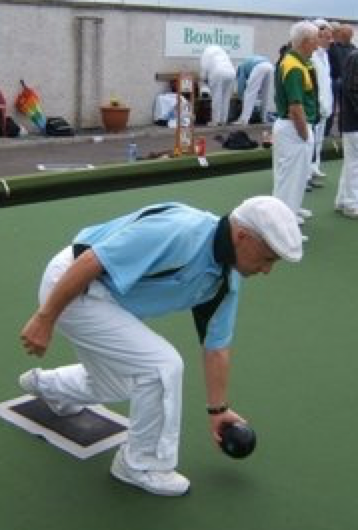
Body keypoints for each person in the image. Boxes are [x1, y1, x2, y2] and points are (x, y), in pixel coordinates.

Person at [19, 196, 303, 497]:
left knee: (121, 383)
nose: (267, 270)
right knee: (161, 366)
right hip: (74, 285)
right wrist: (45, 318)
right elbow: (91, 260)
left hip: (110, 300)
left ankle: (49, 387)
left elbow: (216, 346)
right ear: (242, 236)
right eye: (267, 258)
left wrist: (218, 411)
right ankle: (139, 464)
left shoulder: (226, 279)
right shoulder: (181, 231)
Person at [272, 20, 319, 241]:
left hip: (293, 127)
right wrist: (304, 134)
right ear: (305, 41)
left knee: (295, 179)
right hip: (294, 128)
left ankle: (287, 219)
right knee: (290, 181)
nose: (317, 45)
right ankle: (283, 229)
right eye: (315, 40)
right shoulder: (294, 66)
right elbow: (295, 107)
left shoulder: (295, 62)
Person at [308, 19, 334, 186]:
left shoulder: (325, 55)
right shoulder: (311, 56)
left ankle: (315, 166)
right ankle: (307, 172)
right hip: (315, 105)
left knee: (318, 140)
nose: (330, 41)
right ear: (317, 36)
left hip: (325, 104)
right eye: (327, 37)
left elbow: (326, 81)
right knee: (311, 140)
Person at [335, 49, 358, 218]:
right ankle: (351, 204)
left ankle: (343, 200)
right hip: (354, 122)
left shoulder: (353, 57)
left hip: (352, 121)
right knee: (354, 164)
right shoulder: (355, 58)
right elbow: (351, 88)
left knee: (351, 163)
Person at [200, 45, 236, 126]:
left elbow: (204, 67)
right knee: (226, 97)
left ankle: (215, 121)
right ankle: (223, 120)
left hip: (218, 72)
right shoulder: (222, 52)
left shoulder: (206, 52)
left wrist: (204, 79)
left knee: (216, 97)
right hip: (231, 72)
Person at [235, 55, 274, 125]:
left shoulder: (241, 69)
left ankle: (243, 120)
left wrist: (240, 97)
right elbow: (259, 89)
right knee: (266, 95)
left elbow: (241, 85)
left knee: (249, 94)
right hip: (270, 66)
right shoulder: (246, 64)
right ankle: (264, 118)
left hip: (259, 67)